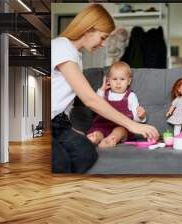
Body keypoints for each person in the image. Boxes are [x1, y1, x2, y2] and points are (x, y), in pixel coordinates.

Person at [51, 4, 159, 173]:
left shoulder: (75, 55)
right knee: (60, 163)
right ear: (88, 29)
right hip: (48, 124)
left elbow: (63, 101)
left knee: (86, 154)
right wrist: (134, 126)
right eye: (103, 37)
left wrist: (72, 130)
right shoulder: (61, 47)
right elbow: (90, 99)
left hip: (60, 123)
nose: (103, 44)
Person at [86, 61, 146, 148]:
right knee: (98, 131)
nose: (118, 83)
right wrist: (102, 89)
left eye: (122, 79)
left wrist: (141, 116)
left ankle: (111, 139)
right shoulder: (104, 93)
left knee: (120, 131)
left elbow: (135, 118)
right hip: (102, 125)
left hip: (122, 126)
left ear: (129, 81)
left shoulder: (130, 96)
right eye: (114, 79)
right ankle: (96, 137)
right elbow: (95, 104)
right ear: (108, 81)